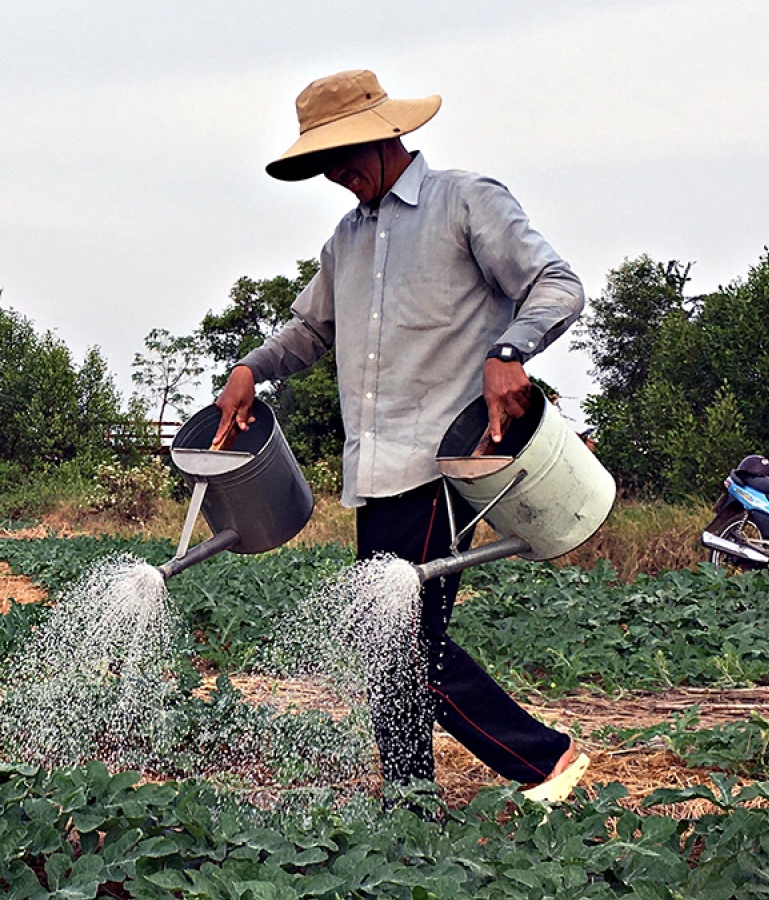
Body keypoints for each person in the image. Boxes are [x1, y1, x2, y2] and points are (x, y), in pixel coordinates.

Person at [212, 69, 590, 800]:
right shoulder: (346, 240)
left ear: (389, 134)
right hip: (376, 473)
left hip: (446, 464)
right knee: (388, 644)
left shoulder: (465, 201)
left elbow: (557, 284)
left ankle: (544, 761)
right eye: (324, 161)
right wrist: (249, 368)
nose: (337, 172)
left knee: (408, 651)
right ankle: (411, 799)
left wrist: (509, 352)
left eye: (346, 151)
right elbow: (308, 331)